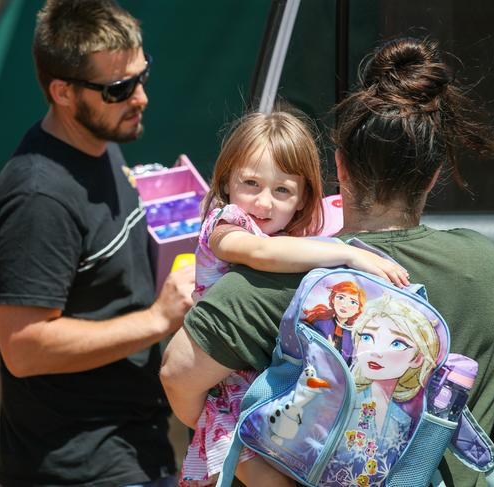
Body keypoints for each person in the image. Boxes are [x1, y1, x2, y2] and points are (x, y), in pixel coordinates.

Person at [161, 36, 494, 487]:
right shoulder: (486, 266)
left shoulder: (278, 283)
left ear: (340, 167)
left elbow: (177, 374)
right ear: (433, 175)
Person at [0, 1, 194, 486]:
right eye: (118, 89)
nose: (139, 97)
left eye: (142, 76)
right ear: (62, 91)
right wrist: (158, 319)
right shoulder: (38, 195)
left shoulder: (99, 145)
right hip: (78, 466)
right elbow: (24, 347)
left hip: (134, 445)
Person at [180, 110, 409, 487]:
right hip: (230, 394)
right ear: (226, 184)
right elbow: (258, 254)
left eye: (282, 190)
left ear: (303, 199)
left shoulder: (291, 240)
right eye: (250, 183)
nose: (264, 203)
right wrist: (349, 254)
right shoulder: (225, 224)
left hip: (274, 388)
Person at [321, 293, 441, 485]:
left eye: (397, 343)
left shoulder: (403, 419)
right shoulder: (342, 400)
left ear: (417, 358)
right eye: (367, 337)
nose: (376, 351)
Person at [303, 280, 367, 364]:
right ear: (333, 299)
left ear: (358, 308)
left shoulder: (355, 334)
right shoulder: (320, 322)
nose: (345, 305)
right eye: (340, 298)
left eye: (353, 302)